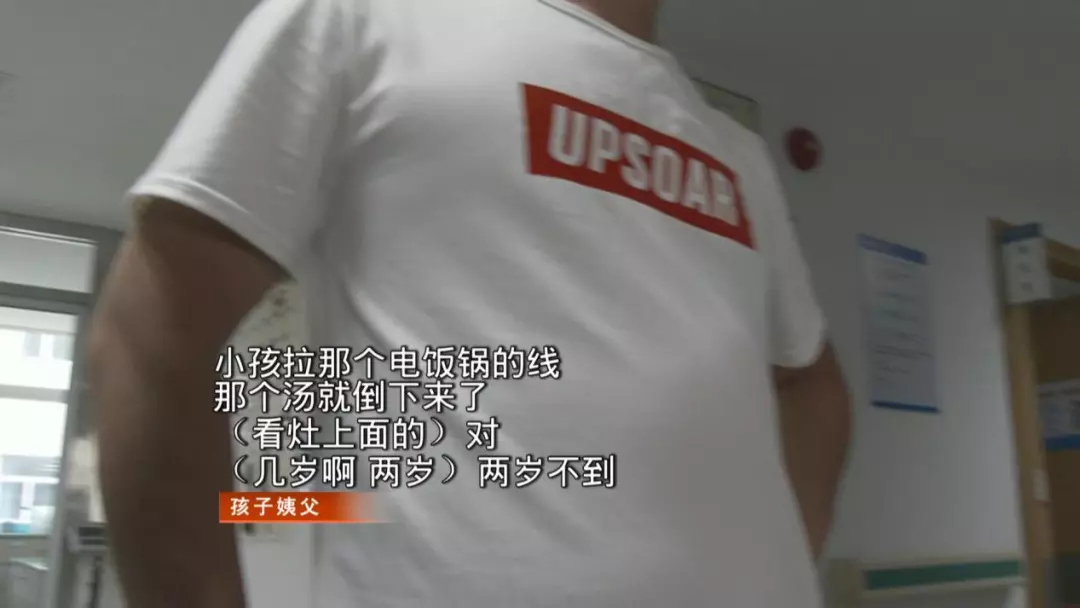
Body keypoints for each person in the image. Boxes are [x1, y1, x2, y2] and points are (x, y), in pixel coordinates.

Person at [87, 0, 852, 606]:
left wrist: (778, 567)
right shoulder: (364, 20)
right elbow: (152, 329)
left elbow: (811, 382)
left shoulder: (740, 156)